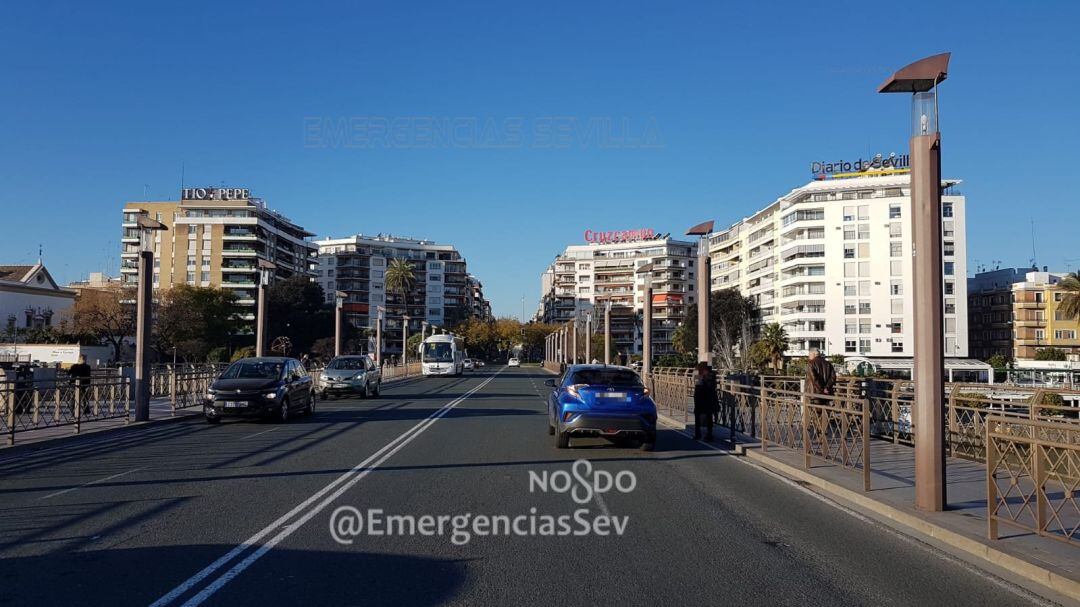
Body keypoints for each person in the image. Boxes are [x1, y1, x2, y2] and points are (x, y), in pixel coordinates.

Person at [693, 361, 719, 441]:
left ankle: (698, 433)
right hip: (710, 396)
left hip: (700, 396)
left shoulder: (698, 372)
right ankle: (709, 434)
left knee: (697, 415)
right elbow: (714, 385)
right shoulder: (712, 374)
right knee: (709, 415)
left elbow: (697, 383)